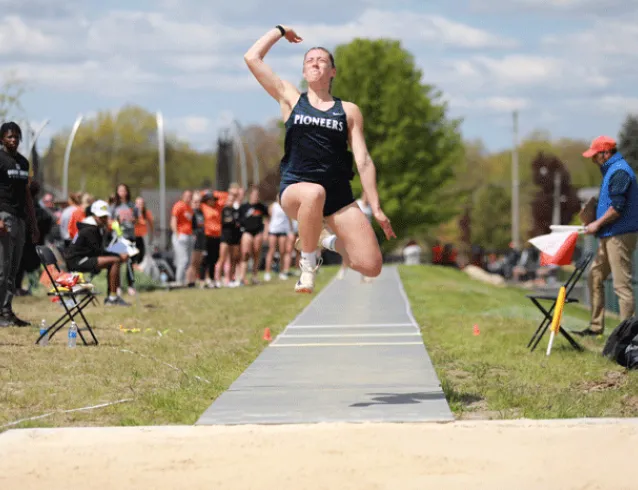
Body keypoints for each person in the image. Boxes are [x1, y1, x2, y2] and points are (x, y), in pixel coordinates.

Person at [244, 24, 395, 293]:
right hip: (296, 189)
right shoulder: (291, 98)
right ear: (303, 71)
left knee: (370, 265)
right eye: (309, 61)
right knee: (314, 192)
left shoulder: (348, 111)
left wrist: (377, 207)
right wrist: (280, 31)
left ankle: (320, 239)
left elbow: (363, 160)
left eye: (322, 60)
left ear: (332, 71)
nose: (315, 64)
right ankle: (307, 267)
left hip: (338, 195)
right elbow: (252, 58)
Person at [577, 136, 638, 337]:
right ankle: (595, 328)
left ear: (605, 153)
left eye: (595, 156)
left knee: (622, 286)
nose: (593, 160)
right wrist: (591, 215)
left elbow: (617, 209)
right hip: (609, 235)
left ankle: (626, 338)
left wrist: (596, 223)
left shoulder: (619, 171)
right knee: (595, 276)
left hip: (619, 236)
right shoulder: (611, 170)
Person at [0, 122, 39, 326]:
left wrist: (33, 224)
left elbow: (27, 195)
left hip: (20, 218)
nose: (13, 140)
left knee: (13, 269)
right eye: (9, 136)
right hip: (4, 216)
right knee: (2, 268)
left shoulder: (23, 162)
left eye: (16, 136)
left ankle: (6, 312)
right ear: (2, 139)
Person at [64, 200, 131, 306]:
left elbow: (99, 249)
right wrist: (118, 255)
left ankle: (112, 296)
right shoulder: (90, 229)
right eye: (101, 217)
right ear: (94, 215)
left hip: (84, 257)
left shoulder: (94, 227)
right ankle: (112, 298)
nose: (104, 219)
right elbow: (98, 251)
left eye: (105, 217)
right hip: (77, 261)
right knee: (115, 261)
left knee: (114, 260)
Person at [336, 192, 374, 282]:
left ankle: (365, 276)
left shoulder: (369, 208)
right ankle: (343, 269)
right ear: (364, 195)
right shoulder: (358, 203)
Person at [238, 186, 269, 285]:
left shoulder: (261, 207)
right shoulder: (243, 207)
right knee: (245, 253)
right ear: (250, 195)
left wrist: (265, 232)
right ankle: (242, 277)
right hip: (247, 232)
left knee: (256, 253)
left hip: (258, 232)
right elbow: (239, 221)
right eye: (254, 195)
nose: (256, 197)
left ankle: (254, 276)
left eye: (257, 195)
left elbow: (267, 218)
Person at [214, 185, 242, 288]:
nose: (231, 201)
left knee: (233, 258)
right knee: (222, 258)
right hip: (225, 237)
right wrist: (233, 222)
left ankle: (230, 278)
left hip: (234, 237)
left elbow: (238, 222)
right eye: (229, 199)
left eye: (232, 200)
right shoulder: (224, 210)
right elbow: (226, 221)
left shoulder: (235, 211)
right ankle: (217, 279)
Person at [264, 200, 293, 281]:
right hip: (273, 230)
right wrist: (266, 232)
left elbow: (289, 219)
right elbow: (268, 219)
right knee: (271, 251)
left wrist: (290, 231)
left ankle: (281, 272)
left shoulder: (286, 206)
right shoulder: (273, 206)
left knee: (282, 251)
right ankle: (267, 272)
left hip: (283, 231)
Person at [170, 190, 194, 285]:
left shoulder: (189, 208)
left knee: (187, 261)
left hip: (189, 235)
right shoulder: (179, 205)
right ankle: (179, 281)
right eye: (187, 196)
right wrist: (177, 235)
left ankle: (184, 280)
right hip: (181, 235)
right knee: (182, 260)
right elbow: (173, 221)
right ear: (183, 196)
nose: (189, 198)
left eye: (190, 196)